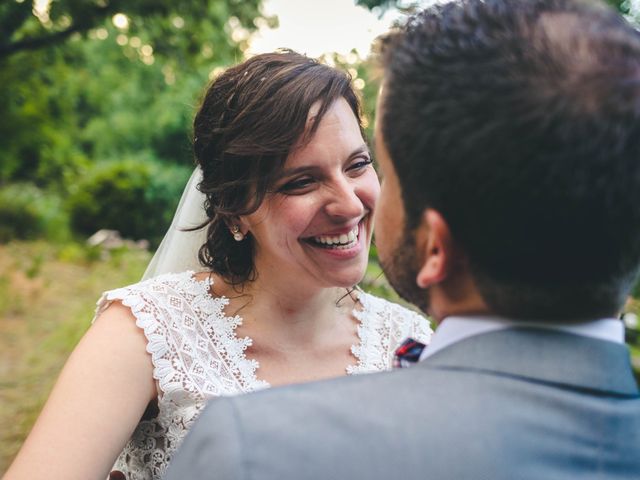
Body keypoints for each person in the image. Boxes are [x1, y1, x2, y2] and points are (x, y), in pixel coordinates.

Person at [165, 0, 640, 478]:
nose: (355, 204)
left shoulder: (254, 448)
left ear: (436, 247)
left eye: (376, 169)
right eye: (302, 180)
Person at [4, 51, 430, 480]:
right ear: (233, 210)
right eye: (301, 181)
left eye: (357, 165)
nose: (350, 203)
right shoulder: (146, 335)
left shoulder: (412, 343)